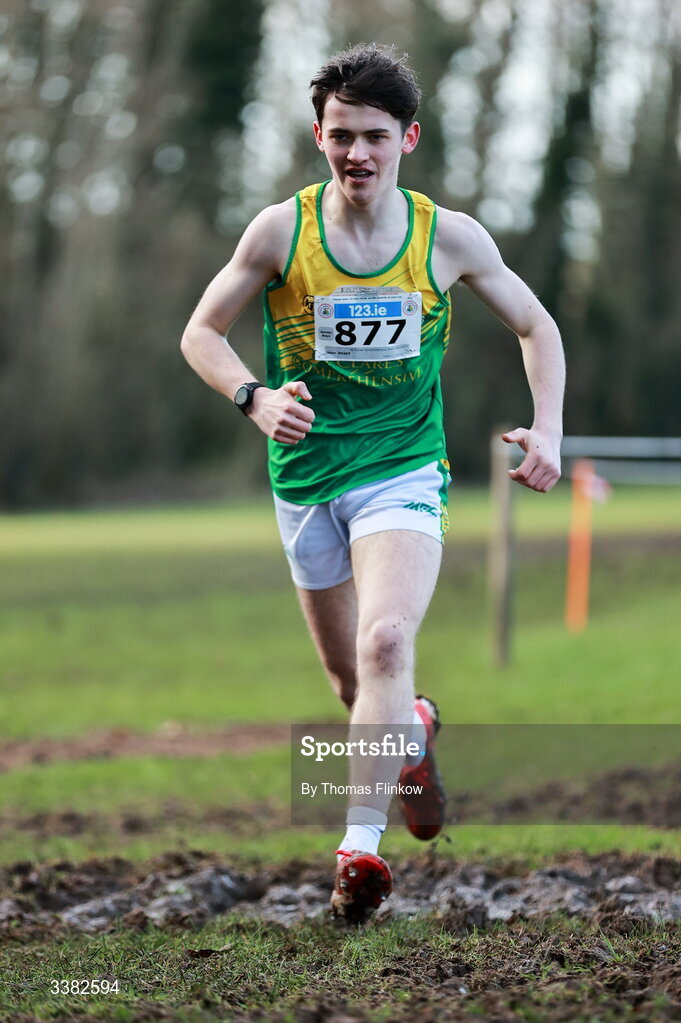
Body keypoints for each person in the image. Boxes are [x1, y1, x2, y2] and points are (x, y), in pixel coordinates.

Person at [181, 43, 565, 922]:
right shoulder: (281, 231)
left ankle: (358, 853)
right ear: (319, 136)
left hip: (402, 473)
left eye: (375, 138)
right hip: (306, 479)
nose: (357, 154)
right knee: (357, 691)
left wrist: (546, 427)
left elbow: (536, 325)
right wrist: (253, 394)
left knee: (386, 643)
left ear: (408, 139)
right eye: (341, 136)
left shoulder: (448, 238)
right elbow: (200, 332)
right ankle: (414, 734)